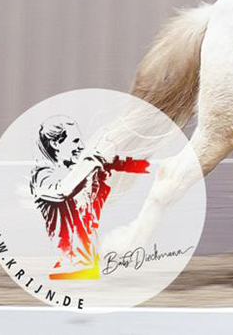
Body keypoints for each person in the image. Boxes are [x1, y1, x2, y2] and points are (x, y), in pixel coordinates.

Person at [30, 115, 148, 280]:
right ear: (56, 144)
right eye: (75, 141)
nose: (81, 146)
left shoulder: (78, 169)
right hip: (69, 269)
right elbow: (62, 191)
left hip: (86, 268)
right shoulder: (43, 174)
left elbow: (134, 166)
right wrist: (94, 158)